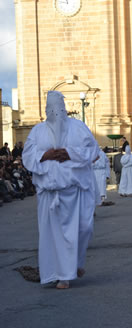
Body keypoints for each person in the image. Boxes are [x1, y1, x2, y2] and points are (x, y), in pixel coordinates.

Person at [22, 91, 99, 289]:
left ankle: (75, 263)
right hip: (50, 193)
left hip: (76, 191)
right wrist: (45, 155)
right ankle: (62, 274)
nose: (56, 114)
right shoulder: (37, 131)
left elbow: (93, 151)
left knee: (84, 229)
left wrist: (69, 154)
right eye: (52, 109)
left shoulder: (78, 127)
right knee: (53, 235)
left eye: (60, 109)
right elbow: (28, 156)